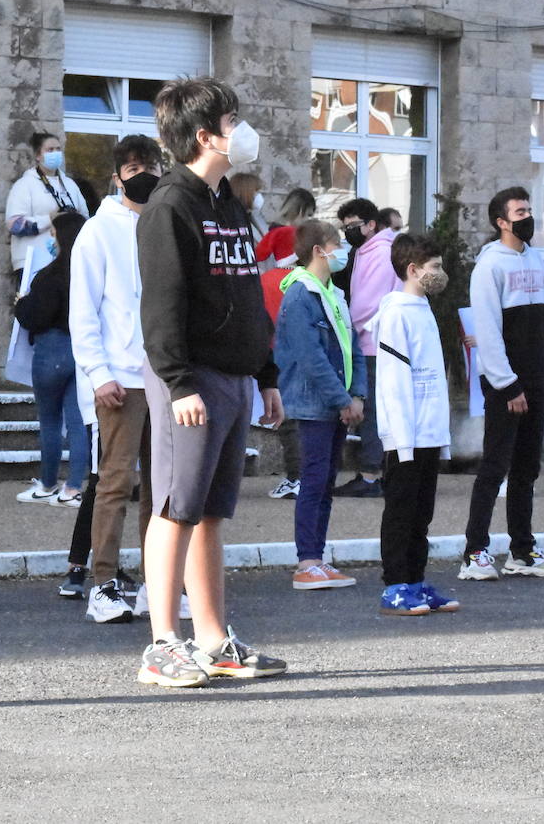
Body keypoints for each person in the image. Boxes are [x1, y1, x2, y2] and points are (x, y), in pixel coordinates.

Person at [136, 76, 286, 688]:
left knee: (212, 512)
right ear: (204, 136)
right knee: (176, 506)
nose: (243, 132)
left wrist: (267, 372)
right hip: (189, 375)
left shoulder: (228, 203)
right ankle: (162, 644)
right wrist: (178, 383)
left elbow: (248, 295)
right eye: (232, 122)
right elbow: (162, 305)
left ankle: (214, 638)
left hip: (232, 373)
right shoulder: (171, 205)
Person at [69, 134, 162, 623]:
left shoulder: (165, 226)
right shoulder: (97, 232)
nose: (143, 176)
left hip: (163, 377)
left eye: (150, 166)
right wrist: (98, 373)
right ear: (117, 176)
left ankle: (157, 582)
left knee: (161, 488)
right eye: (133, 169)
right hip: (121, 379)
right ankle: (102, 583)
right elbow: (82, 310)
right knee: (114, 482)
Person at [460, 187, 544, 581]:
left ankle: (522, 550)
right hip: (506, 385)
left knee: (527, 469)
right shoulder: (489, 266)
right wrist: (507, 385)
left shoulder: (536, 259)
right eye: (519, 212)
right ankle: (475, 551)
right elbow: (487, 330)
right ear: (501, 222)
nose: (527, 217)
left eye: (529, 209)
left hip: (536, 381)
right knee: (495, 466)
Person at [274, 219, 365, 590]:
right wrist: (343, 398)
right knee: (314, 481)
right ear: (318, 250)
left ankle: (317, 556)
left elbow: (351, 346)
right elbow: (311, 358)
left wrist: (356, 394)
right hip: (315, 404)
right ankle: (307, 561)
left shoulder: (332, 293)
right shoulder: (300, 294)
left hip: (336, 404)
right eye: (337, 244)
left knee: (325, 481)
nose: (342, 250)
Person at [374, 233, 458, 615]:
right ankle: (395, 586)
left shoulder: (423, 308)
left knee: (422, 513)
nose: (441, 274)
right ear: (412, 270)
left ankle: (416, 581)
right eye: (434, 267)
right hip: (405, 435)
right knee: (401, 511)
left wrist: (439, 436)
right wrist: (402, 438)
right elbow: (394, 382)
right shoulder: (395, 313)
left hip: (427, 431)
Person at [14, 212, 90, 509]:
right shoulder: (89, 271)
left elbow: (35, 317)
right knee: (78, 422)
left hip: (51, 350)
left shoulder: (50, 274)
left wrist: (22, 305)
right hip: (81, 350)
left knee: (49, 420)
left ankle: (47, 484)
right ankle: (73, 488)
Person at [334, 198, 395, 499]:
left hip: (374, 342)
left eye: (354, 226)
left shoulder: (382, 252)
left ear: (372, 224)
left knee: (371, 410)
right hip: (367, 340)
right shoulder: (365, 250)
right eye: (345, 227)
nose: (349, 232)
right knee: (371, 409)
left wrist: (344, 324)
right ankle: (372, 472)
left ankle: (371, 474)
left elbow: (368, 302)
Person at [5, 131, 90, 283]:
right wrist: (50, 219)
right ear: (38, 155)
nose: (56, 153)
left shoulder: (70, 185)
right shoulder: (25, 185)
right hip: (33, 262)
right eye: (50, 150)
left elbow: (86, 219)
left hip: (66, 260)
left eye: (58, 149)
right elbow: (14, 225)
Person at [260, 242, 301, 500]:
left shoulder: (265, 279)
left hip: (272, 352)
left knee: (286, 420)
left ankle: (297, 477)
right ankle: (301, 475)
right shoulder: (304, 281)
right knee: (295, 417)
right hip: (300, 351)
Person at [229, 172, 269, 240]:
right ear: (245, 193)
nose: (260, 196)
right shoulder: (233, 222)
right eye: (257, 191)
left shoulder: (252, 217)